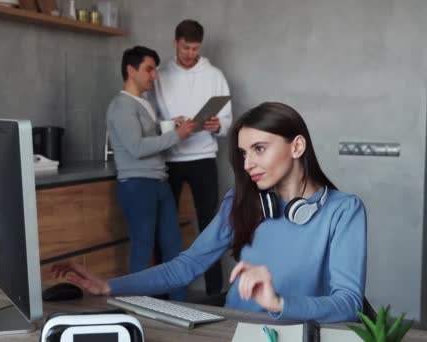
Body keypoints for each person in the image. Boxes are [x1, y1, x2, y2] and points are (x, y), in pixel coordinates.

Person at [53, 102, 367, 323]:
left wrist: (278, 303)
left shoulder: (343, 211)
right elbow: (185, 267)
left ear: (297, 147)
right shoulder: (241, 200)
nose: (247, 164)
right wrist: (110, 286)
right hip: (232, 329)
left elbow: (349, 304)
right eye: (244, 153)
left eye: (259, 149)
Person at [149, 19, 233, 295]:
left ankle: (214, 290)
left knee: (210, 224)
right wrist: (169, 124)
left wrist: (216, 125)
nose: (190, 54)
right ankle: (163, 288)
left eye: (195, 49)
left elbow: (228, 121)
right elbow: (149, 119)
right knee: (164, 225)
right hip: (169, 159)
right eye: (186, 48)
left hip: (203, 158)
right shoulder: (159, 75)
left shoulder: (215, 76)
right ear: (175, 43)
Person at [105, 46, 196, 301]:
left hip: (158, 182)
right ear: (130, 70)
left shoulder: (143, 103)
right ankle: (139, 309)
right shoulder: (121, 105)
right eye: (149, 69)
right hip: (137, 185)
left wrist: (166, 126)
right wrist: (176, 135)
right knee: (142, 249)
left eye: (155, 69)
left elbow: (146, 134)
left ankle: (181, 306)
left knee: (174, 249)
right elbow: (135, 147)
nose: (154, 75)